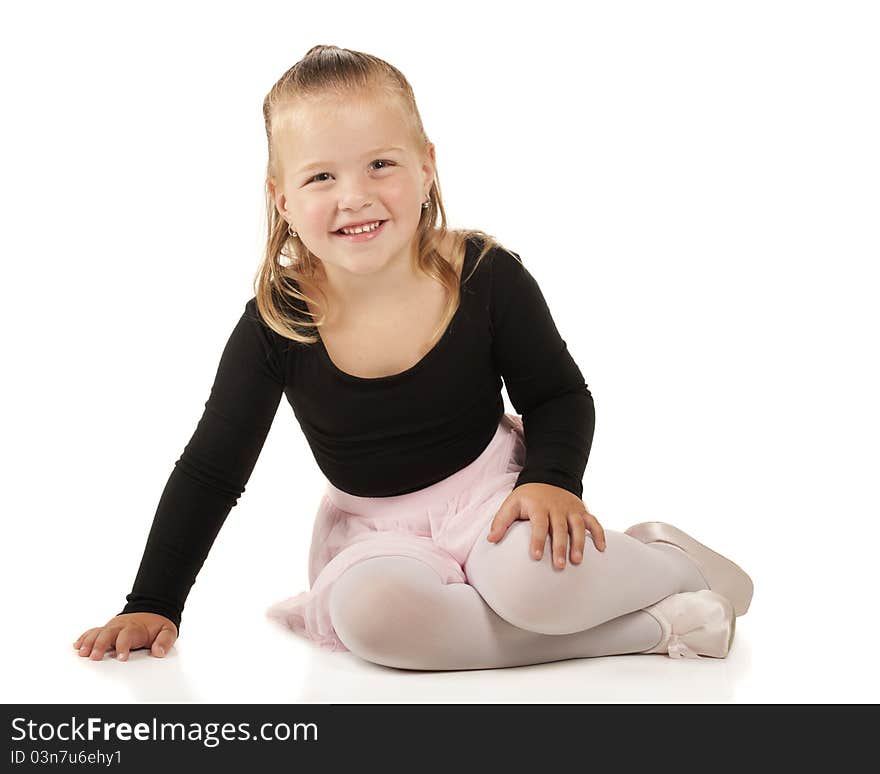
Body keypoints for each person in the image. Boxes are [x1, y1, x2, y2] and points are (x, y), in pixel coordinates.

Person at [73, 45, 753, 671]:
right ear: (282, 198)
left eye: (381, 163)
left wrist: (552, 480)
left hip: (493, 498)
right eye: (320, 176)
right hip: (376, 533)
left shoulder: (485, 276)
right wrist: (152, 600)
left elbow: (558, 396)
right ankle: (657, 629)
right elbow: (211, 471)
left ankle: (670, 564)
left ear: (427, 166)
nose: (355, 196)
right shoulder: (278, 323)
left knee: (529, 582)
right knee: (374, 619)